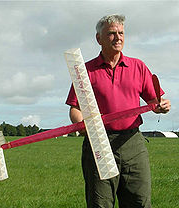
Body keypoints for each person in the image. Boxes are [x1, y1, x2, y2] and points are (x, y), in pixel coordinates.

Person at [65, 14, 171, 208]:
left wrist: (162, 106)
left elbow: (154, 100)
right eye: (112, 33)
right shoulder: (85, 71)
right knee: (100, 203)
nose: (118, 37)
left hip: (133, 143)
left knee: (139, 202)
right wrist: (82, 124)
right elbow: (75, 108)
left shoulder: (138, 66)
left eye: (121, 33)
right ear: (99, 39)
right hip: (99, 143)